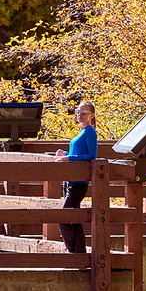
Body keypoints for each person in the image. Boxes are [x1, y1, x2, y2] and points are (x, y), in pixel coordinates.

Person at [55, 101, 98, 253]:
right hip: (71, 180)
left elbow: (92, 155)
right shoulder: (81, 132)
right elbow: (78, 155)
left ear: (92, 115)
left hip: (79, 182)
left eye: (84, 112)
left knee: (63, 217)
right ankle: (79, 252)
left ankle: (72, 251)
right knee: (74, 216)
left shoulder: (90, 132)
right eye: (78, 112)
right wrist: (65, 154)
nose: (80, 115)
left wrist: (69, 158)